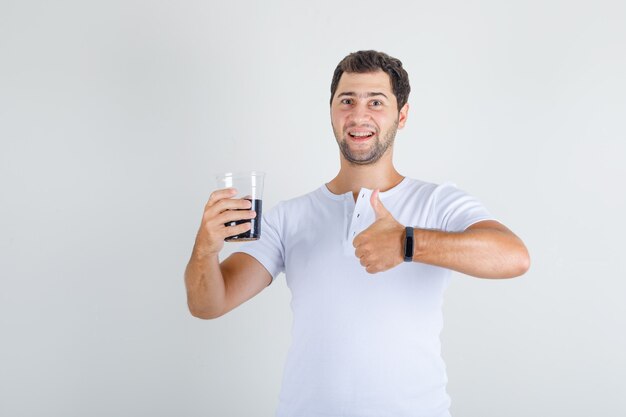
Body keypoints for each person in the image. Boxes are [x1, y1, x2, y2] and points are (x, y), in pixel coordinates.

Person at [185, 50, 530, 417]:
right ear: (332, 113)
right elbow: (208, 304)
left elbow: (513, 257)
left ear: (402, 116)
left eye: (376, 102)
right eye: (346, 100)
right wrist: (205, 249)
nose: (359, 115)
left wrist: (407, 242)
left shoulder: (437, 202)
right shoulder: (289, 217)